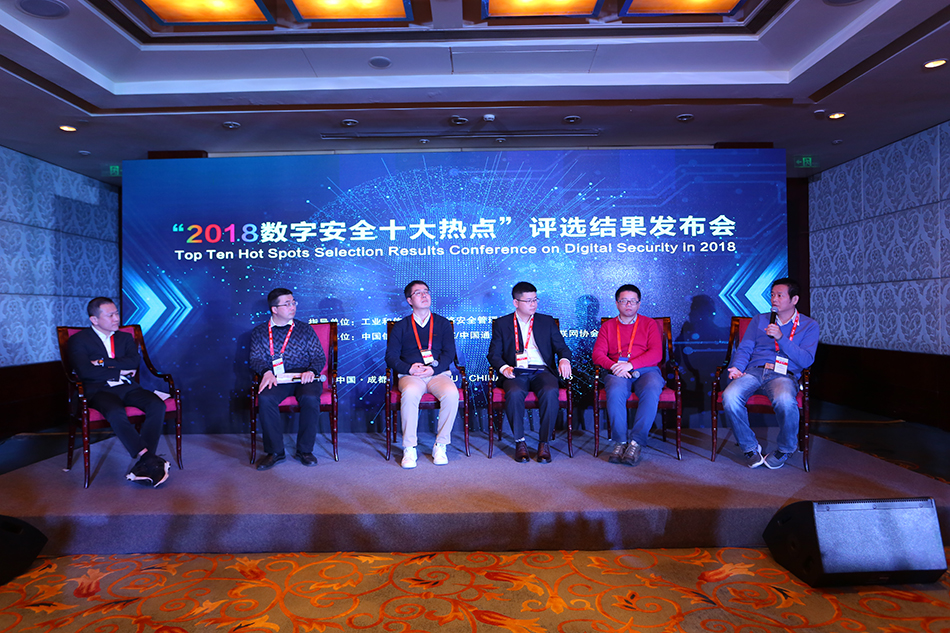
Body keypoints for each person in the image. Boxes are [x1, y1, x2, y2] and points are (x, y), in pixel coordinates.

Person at [67, 297, 169, 487]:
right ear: (94, 320)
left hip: (126, 387)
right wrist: (119, 370)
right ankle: (149, 459)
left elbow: (133, 362)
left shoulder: (124, 337)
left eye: (117, 313)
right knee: (115, 411)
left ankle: (146, 461)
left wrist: (102, 362)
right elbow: (85, 371)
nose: (116, 318)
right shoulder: (78, 340)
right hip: (98, 390)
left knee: (156, 405)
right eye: (110, 315)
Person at [722, 277, 820, 469]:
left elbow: (806, 360)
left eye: (780, 295)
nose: (774, 299)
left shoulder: (809, 325)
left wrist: (781, 338)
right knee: (730, 396)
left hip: (784, 374)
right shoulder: (760, 319)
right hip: (755, 370)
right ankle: (749, 447)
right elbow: (745, 348)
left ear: (794, 300)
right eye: (772, 295)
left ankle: (786, 448)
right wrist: (737, 367)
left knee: (785, 400)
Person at [487, 281, 572, 463]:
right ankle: (520, 442)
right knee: (514, 392)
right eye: (528, 301)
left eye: (535, 300)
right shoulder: (502, 324)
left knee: (550, 391)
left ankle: (544, 443)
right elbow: (493, 354)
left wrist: (564, 359)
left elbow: (562, 348)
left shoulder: (546, 321)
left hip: (542, 370)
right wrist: (504, 368)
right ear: (516, 302)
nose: (533, 304)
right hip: (516, 371)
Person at [385, 281, 459, 469]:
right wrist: (409, 369)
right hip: (411, 375)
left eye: (426, 291)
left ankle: (440, 445)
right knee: (410, 393)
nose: (424, 295)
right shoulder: (401, 326)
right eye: (418, 293)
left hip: (437, 374)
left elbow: (449, 353)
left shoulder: (442, 323)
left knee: (452, 393)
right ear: (409, 300)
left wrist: (434, 369)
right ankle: (409, 448)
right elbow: (391, 356)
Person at [249, 288, 325, 470]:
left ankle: (305, 450)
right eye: (287, 304)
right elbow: (255, 358)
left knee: (310, 398)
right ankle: (275, 451)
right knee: (266, 398)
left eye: (293, 303)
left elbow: (318, 356)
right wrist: (266, 372)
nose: (293, 307)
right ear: (274, 309)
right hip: (276, 376)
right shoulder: (260, 332)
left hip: (303, 375)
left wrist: (312, 370)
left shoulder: (304, 329)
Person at [591, 284, 665, 466]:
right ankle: (620, 441)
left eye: (633, 301)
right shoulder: (608, 326)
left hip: (646, 370)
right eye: (624, 301)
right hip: (617, 371)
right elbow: (597, 354)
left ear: (639, 304)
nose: (629, 304)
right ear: (617, 303)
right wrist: (615, 366)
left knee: (652, 387)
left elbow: (656, 353)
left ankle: (636, 442)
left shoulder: (649, 324)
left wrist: (630, 365)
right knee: (615, 389)